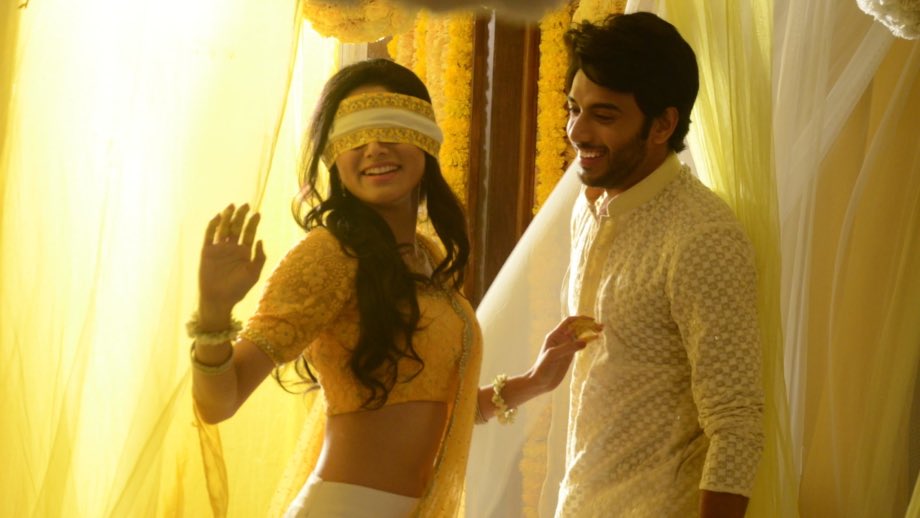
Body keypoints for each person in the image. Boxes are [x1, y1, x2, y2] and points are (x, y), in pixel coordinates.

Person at [188, 58, 596, 517]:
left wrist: (533, 382)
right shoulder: (330, 254)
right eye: (355, 134)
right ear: (333, 156)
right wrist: (213, 313)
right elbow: (219, 403)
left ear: (426, 138)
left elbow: (437, 412)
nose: (375, 147)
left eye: (390, 126)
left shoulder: (429, 256)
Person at [557, 13, 765, 518]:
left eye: (604, 115)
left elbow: (736, 424)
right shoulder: (591, 204)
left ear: (663, 125)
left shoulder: (702, 238)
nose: (577, 131)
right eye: (574, 108)